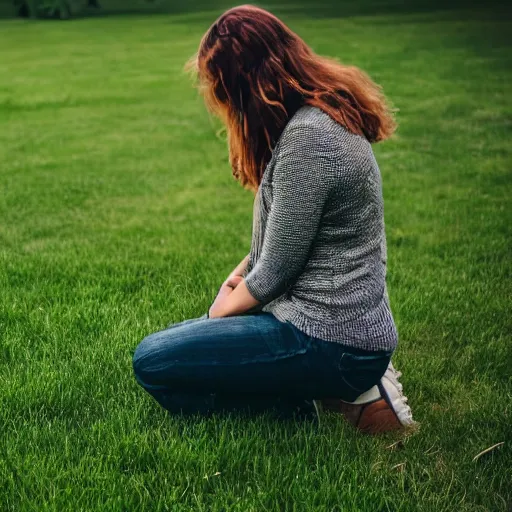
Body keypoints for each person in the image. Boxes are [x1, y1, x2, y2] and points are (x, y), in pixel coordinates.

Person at [133, 5, 416, 433]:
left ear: (245, 82)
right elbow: (272, 249)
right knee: (183, 345)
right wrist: (231, 287)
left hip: (329, 340)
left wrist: (220, 316)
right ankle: (312, 394)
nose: (218, 101)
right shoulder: (308, 120)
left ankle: (307, 398)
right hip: (325, 329)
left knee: (153, 360)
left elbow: (275, 272)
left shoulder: (310, 138)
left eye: (220, 87)